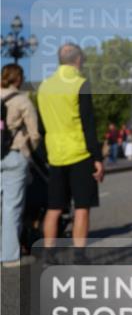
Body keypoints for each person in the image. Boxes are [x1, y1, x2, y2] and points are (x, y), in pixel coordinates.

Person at [37, 44, 104, 250]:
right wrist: (97, 157)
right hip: (79, 153)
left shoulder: (44, 86)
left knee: (54, 208)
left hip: (55, 154)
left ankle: (48, 253)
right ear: (78, 60)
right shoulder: (80, 84)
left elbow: (42, 126)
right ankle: (79, 254)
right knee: (82, 206)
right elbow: (88, 124)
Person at [1, 64, 41, 267]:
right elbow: (34, 133)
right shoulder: (22, 100)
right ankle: (8, 255)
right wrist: (30, 150)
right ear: (18, 78)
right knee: (12, 207)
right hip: (14, 155)